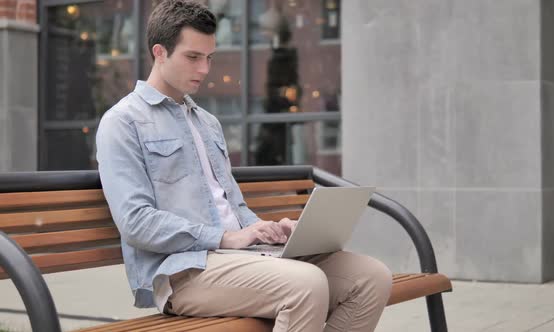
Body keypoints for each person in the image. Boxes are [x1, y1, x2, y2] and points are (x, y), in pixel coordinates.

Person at [95, 1, 392, 331]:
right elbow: (136, 222)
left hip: (242, 258)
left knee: (371, 278)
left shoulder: (207, 123)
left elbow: (231, 207)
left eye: (209, 58)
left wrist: (268, 230)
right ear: (159, 52)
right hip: (184, 272)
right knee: (306, 284)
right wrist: (224, 238)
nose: (204, 69)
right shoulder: (123, 123)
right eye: (193, 57)